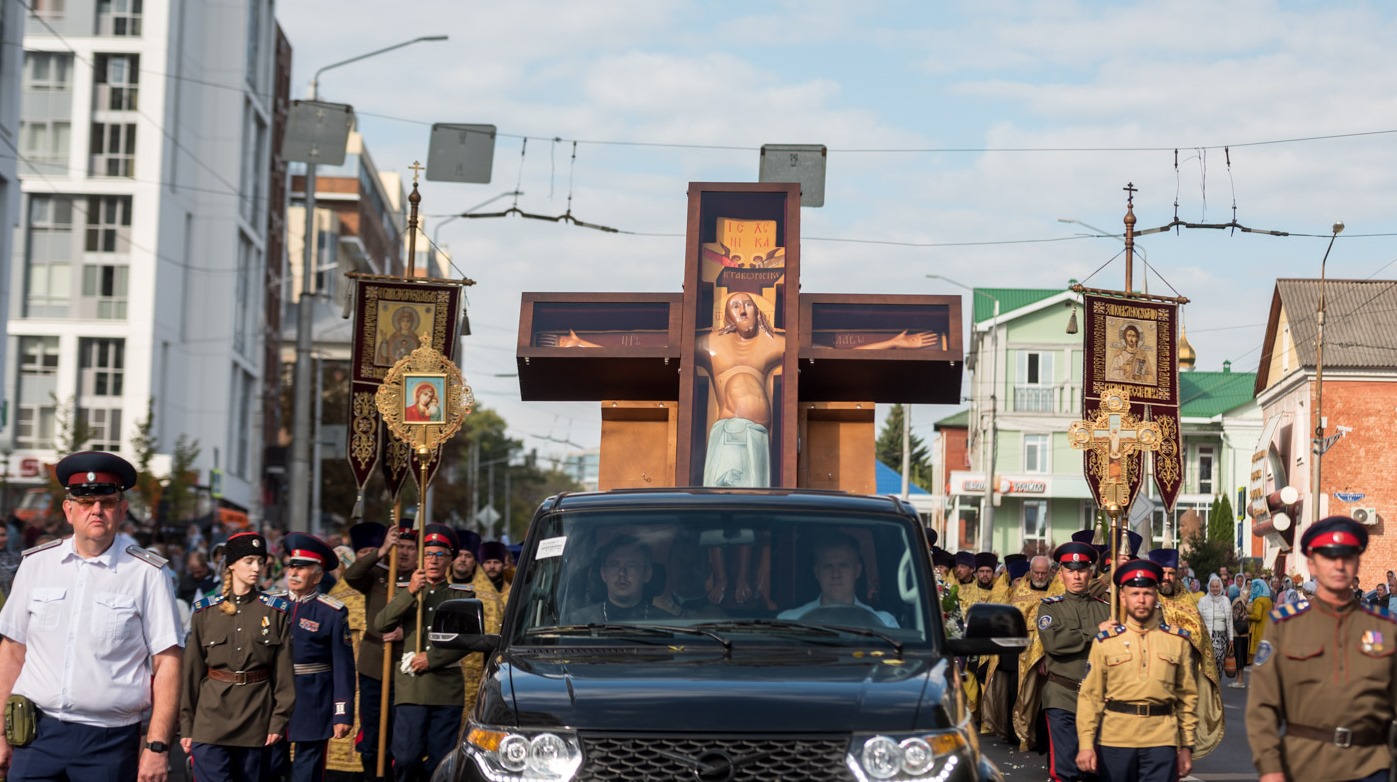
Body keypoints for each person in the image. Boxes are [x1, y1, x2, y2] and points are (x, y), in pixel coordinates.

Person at [0, 451, 184, 781]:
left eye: (107, 502)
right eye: (85, 503)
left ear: (122, 510)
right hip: (36, 735)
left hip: (110, 742)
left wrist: (157, 747)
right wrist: (0, 730)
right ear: (69, 510)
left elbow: (167, 661)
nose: (96, 510)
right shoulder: (36, 565)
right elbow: (13, 649)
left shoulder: (147, 574)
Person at [694, 292, 933, 487]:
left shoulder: (773, 343)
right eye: (735, 306)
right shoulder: (710, 343)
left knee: (753, 510)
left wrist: (892, 343)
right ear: (728, 316)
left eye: (748, 303)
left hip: (758, 437)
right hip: (730, 433)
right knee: (727, 503)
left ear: (758, 311)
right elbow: (669, 342)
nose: (743, 309)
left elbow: (830, 352)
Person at [1247, 516, 1397, 782]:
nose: (1339, 565)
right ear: (1313, 565)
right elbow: (1262, 705)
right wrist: (1270, 767)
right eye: (1329, 557)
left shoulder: (1385, 627)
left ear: (1357, 563)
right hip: (1305, 764)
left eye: (1347, 557)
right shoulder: (1286, 626)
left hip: (1370, 766)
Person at [180, 531, 295, 781]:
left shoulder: (275, 612)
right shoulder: (206, 612)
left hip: (255, 721)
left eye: (260, 562)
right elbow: (191, 674)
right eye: (249, 561)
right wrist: (186, 726)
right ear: (231, 564)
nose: (256, 568)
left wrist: (278, 722)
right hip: (210, 721)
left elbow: (283, 676)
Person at [1076, 559, 1198, 782]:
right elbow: (1090, 698)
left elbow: (1187, 697)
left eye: (1147, 593)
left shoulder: (1176, 641)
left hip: (1162, 741)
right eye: (1134, 594)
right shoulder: (1105, 642)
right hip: (1116, 740)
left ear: (1156, 595)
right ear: (1123, 597)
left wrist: (1186, 746)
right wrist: (1085, 744)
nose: (1141, 600)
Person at [374, 524, 471, 781]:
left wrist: (433, 658)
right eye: (428, 554)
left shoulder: (461, 595)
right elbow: (380, 624)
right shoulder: (407, 590)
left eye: (440, 555)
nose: (433, 560)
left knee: (441, 761)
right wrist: (410, 591)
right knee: (405, 757)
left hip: (445, 689)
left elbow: (468, 639)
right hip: (411, 689)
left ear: (450, 559)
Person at [1012, 541, 1110, 780]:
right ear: (1061, 574)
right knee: (1065, 769)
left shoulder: (1107, 609)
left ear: (1090, 573)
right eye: (1070, 570)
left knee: (1095, 769)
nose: (1076, 576)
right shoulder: (1050, 608)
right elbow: (1056, 643)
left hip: (1098, 697)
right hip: (1062, 696)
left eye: (1082, 570)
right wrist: (1095, 632)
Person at [269, 533, 355, 782]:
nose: (294, 573)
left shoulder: (332, 613)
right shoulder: (271, 604)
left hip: (312, 701)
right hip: (273, 698)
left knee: (307, 773)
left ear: (317, 576)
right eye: (292, 567)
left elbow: (342, 666)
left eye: (302, 568)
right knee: (269, 768)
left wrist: (342, 713)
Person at [342, 521, 412, 779]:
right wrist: (381, 551)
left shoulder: (421, 580)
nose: (404, 552)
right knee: (371, 732)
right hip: (373, 665)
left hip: (404, 666)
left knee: (399, 733)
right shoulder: (378, 574)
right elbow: (350, 576)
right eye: (400, 546)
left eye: (410, 547)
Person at [1146, 548, 1224, 757]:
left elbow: (1198, 632)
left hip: (1179, 675)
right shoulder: (1144, 596)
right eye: (1163, 572)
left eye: (1171, 573)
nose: (1167, 578)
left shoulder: (1184, 598)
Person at [777, 533, 897, 627]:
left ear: (858, 570)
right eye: (828, 567)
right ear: (817, 572)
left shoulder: (884, 623)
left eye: (843, 566)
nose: (835, 574)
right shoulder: (789, 622)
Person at [1197, 575, 1233, 680]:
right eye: (1213, 586)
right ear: (1209, 587)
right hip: (1208, 637)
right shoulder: (1203, 601)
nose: (1215, 589)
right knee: (1208, 663)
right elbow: (1198, 619)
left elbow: (1230, 620)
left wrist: (1231, 638)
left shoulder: (1226, 601)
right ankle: (1208, 687)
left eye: (1217, 586)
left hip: (1222, 638)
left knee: (1218, 664)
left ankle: (1216, 689)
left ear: (1221, 587)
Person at [1247, 578, 1273, 664]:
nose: (1252, 589)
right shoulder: (1268, 600)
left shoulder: (1258, 600)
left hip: (1258, 629)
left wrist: (1247, 616)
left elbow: (1257, 616)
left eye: (1253, 587)